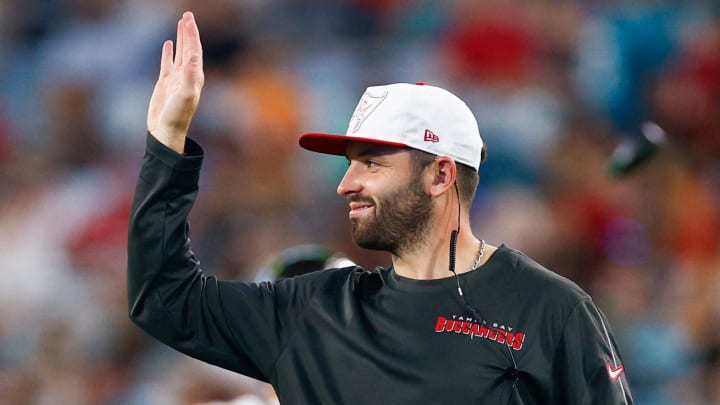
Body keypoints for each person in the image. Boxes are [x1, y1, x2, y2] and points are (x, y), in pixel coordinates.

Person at [128, 12, 634, 404]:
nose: (346, 184)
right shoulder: (313, 312)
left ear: (440, 174)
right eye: (350, 164)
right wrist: (167, 141)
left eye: (371, 164)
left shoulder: (550, 311)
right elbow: (163, 297)